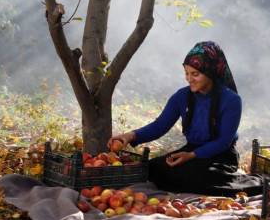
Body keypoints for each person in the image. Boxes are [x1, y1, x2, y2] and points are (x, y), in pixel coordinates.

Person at [108, 41, 262, 196]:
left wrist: (192, 156)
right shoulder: (181, 96)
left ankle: (253, 183)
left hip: (220, 156)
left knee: (192, 177)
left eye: (195, 74)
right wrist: (130, 136)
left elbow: (223, 142)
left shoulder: (231, 100)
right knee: (153, 168)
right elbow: (159, 126)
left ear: (210, 72)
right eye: (187, 73)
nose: (189, 79)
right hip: (190, 151)